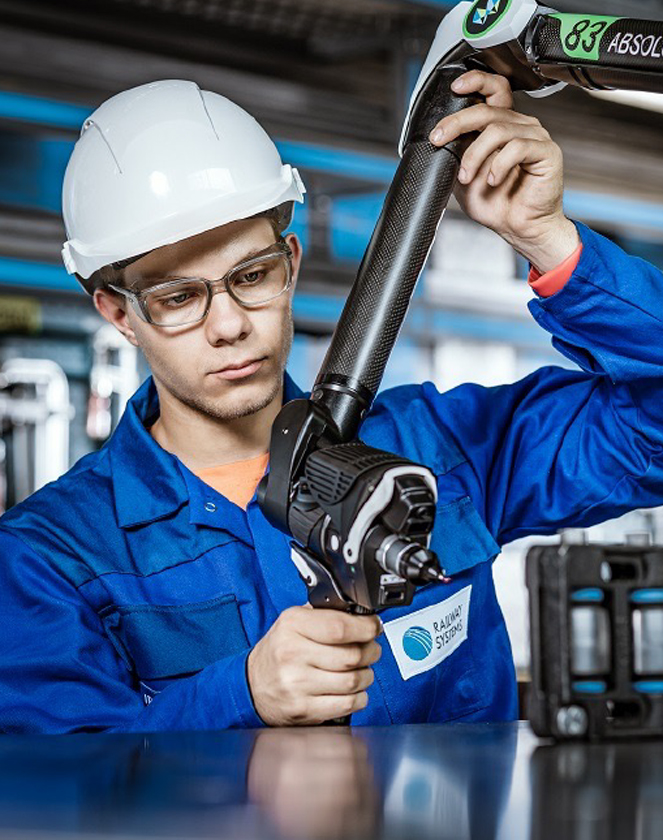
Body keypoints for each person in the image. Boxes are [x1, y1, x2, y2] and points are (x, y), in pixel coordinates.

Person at [1, 73, 663, 733]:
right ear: (118, 312)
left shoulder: (438, 446)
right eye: (178, 297)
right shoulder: (51, 555)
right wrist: (239, 695)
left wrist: (548, 240)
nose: (229, 324)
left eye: (251, 275)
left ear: (289, 262)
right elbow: (56, 780)